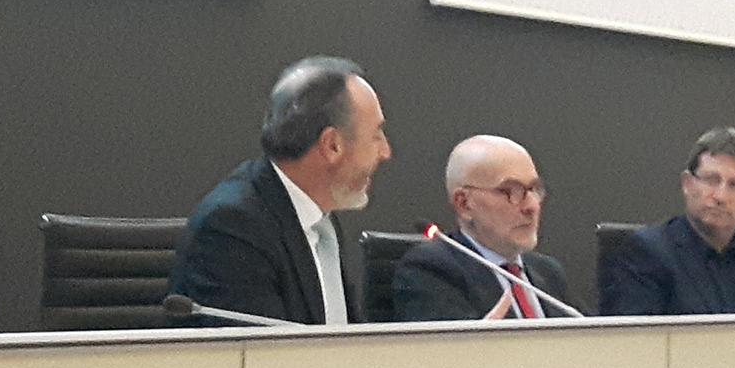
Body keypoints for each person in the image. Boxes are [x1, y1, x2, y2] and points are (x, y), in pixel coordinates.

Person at [169, 56, 391, 324]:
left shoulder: (320, 221)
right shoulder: (233, 229)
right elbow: (258, 349)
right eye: (376, 135)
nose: (385, 152)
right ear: (332, 145)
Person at [598, 127, 735, 315]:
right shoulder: (647, 252)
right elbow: (636, 340)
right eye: (711, 180)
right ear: (687, 184)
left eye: (734, 185)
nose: (721, 196)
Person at [390, 135, 575, 321]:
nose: (531, 206)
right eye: (510, 191)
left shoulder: (547, 271)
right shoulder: (430, 270)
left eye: (533, 189)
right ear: (464, 204)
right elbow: (455, 340)